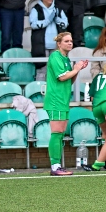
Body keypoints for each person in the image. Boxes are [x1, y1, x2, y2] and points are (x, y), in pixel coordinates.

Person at [44, 32, 88, 176]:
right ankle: (55, 166)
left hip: (63, 100)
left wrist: (77, 70)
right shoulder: (55, 56)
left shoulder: (65, 59)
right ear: (59, 43)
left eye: (71, 41)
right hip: (55, 100)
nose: (70, 43)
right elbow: (62, 77)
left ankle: (57, 165)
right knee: (56, 133)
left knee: (60, 133)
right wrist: (75, 69)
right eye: (66, 41)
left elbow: (69, 80)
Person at [29, 0, 68, 81]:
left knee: (57, 71)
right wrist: (47, 20)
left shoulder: (58, 9)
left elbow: (65, 23)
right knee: (42, 71)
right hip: (42, 46)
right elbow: (33, 24)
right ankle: (39, 92)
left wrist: (57, 20)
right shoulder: (36, 9)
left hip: (56, 46)